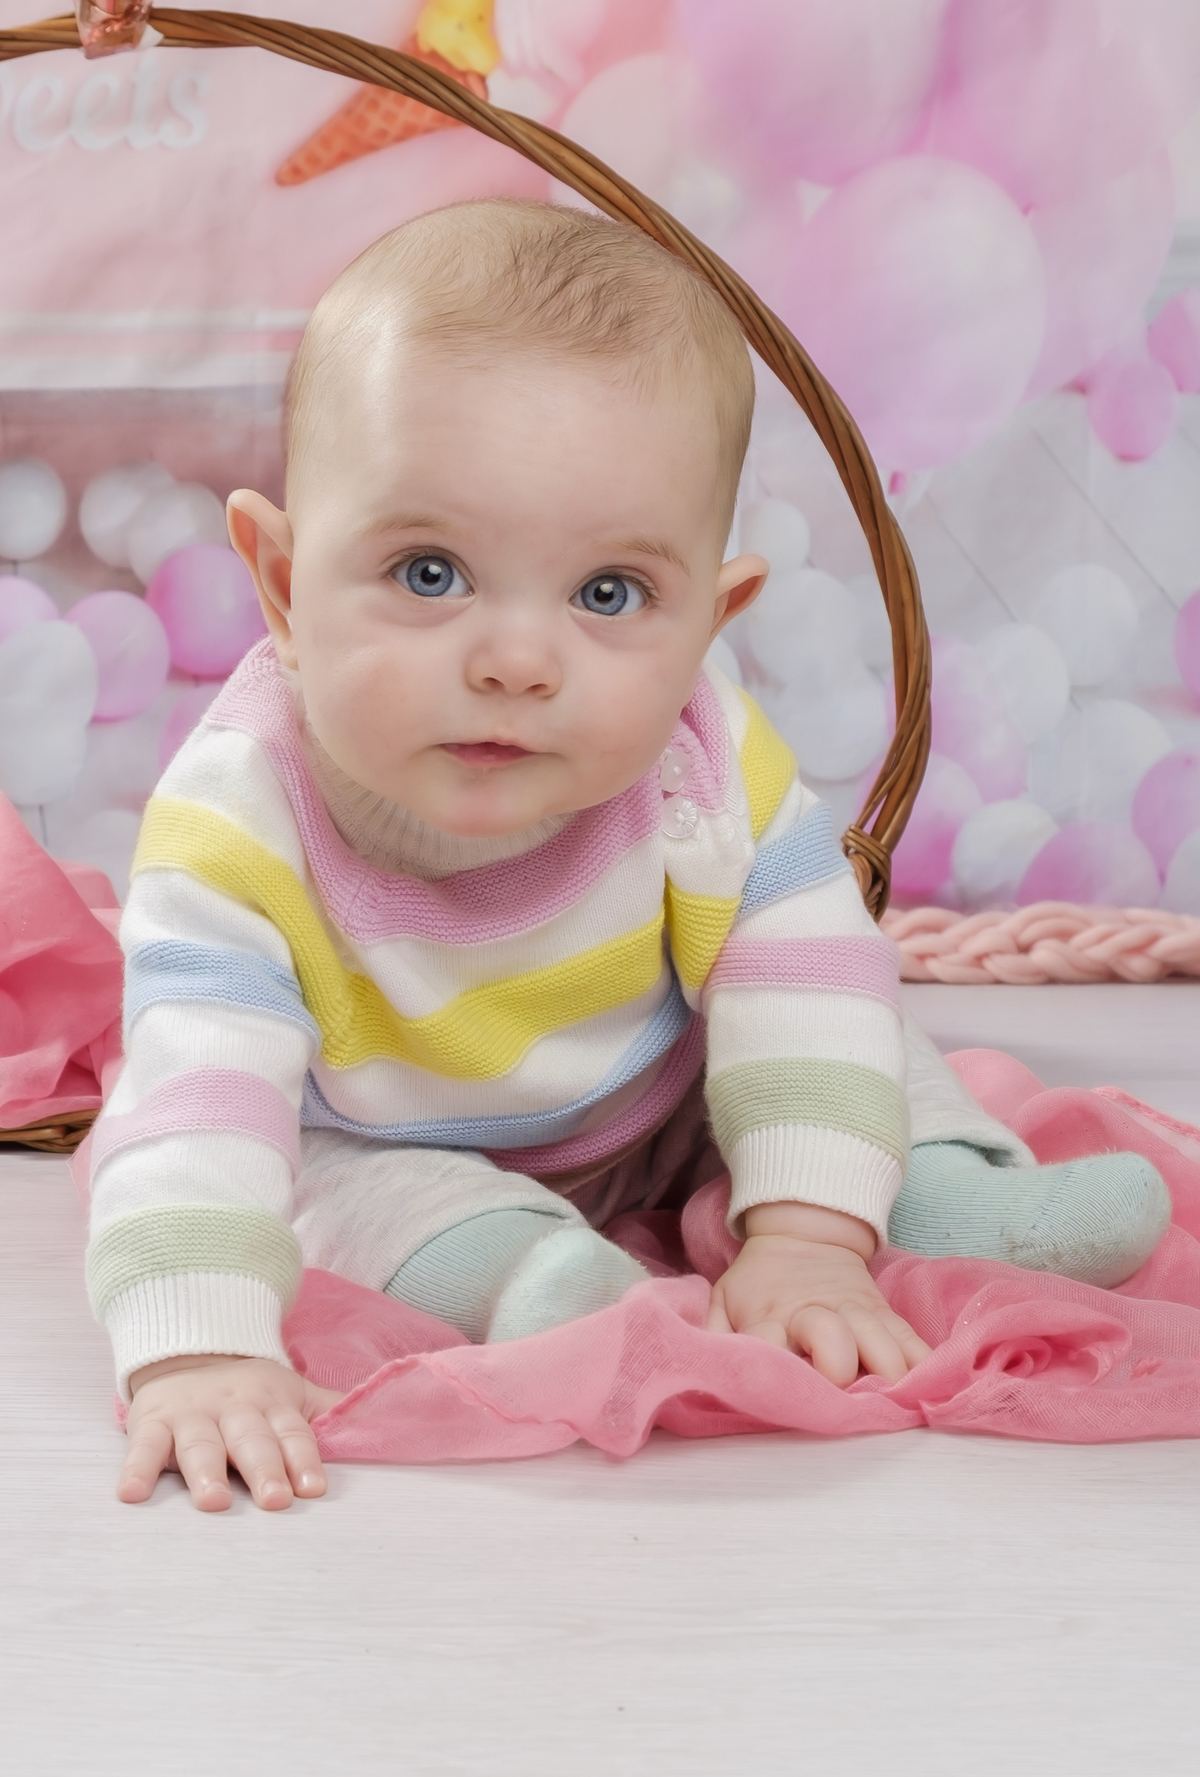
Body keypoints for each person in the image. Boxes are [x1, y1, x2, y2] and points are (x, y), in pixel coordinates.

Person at [87, 200, 1169, 1513]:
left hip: (665, 1102)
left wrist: (810, 1238)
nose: (516, 659)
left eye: (609, 595)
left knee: (856, 1033)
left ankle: (943, 1196)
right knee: (356, 1209)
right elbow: (198, 1095)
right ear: (280, 580)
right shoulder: (241, 817)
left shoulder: (701, 757)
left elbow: (801, 975)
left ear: (710, 622)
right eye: (428, 572)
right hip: (373, 1130)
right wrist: (197, 1345)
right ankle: (539, 1278)